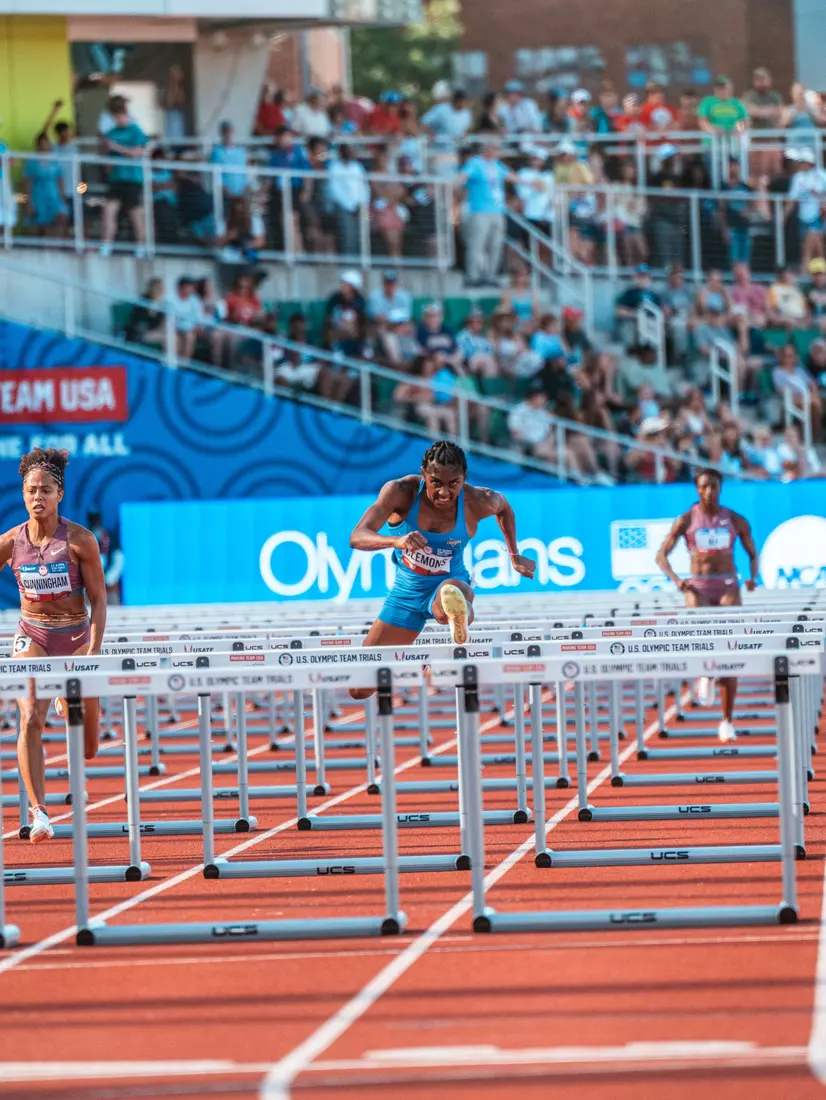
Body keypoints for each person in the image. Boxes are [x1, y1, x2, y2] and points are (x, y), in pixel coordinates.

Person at [347, 441, 536, 697]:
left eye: (453, 484)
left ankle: (458, 611)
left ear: (464, 478)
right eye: (436, 483)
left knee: (449, 596)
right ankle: (421, 652)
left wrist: (514, 555)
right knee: (359, 688)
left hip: (450, 580)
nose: (444, 492)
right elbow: (357, 536)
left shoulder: (478, 500)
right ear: (423, 474)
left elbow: (504, 508)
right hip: (407, 594)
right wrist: (396, 541)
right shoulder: (401, 492)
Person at [0, 449, 106, 842]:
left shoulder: (80, 540)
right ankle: (40, 812)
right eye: (31, 490)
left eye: (45, 489)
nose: (37, 497)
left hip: (75, 638)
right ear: (23, 494)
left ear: (59, 494)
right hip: (33, 635)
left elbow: (99, 599)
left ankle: (69, 698)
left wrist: (94, 649)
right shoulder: (10, 542)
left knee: (89, 747)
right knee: (29, 715)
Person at [655, 468, 759, 743]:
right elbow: (661, 555)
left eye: (713, 486)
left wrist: (753, 578)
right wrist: (677, 580)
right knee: (701, 641)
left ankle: (726, 721)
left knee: (730, 653)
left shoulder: (735, 520)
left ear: (720, 488)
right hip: (698, 587)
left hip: (727, 586)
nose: (709, 491)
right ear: (697, 489)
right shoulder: (687, 519)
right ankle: (705, 671)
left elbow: (752, 553)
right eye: (704, 487)